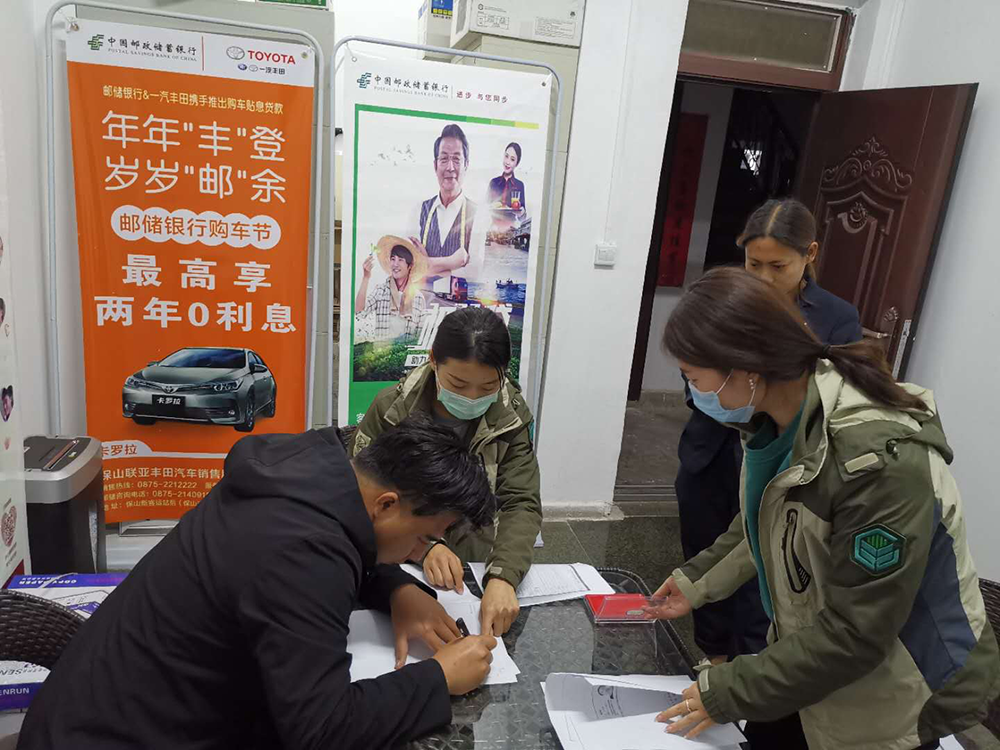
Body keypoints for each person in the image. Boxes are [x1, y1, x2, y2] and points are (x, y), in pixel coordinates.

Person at [649, 267, 1000, 750]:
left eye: (694, 378)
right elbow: (766, 521)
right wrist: (696, 582)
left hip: (892, 695)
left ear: (745, 367)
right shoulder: (778, 422)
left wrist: (730, 690)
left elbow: (858, 632)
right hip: (809, 658)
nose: (693, 395)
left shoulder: (876, 463)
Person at [19, 416, 500, 750]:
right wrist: (438, 678)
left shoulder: (305, 471)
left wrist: (397, 588)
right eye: (424, 538)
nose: (420, 553)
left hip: (92, 713)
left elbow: (351, 538)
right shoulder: (304, 550)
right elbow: (323, 730)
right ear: (388, 504)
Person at [675, 197, 862, 672]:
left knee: (774, 561)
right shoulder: (727, 300)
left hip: (788, 456)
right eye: (752, 263)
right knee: (714, 546)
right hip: (719, 445)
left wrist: (752, 685)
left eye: (776, 266)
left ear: (809, 254)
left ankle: (751, 659)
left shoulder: (836, 322)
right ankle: (716, 655)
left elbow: (861, 630)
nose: (761, 278)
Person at [351, 307, 541, 637]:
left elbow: (520, 501)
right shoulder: (392, 410)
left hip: (475, 566)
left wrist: (503, 576)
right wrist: (425, 546)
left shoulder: (510, 417)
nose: (471, 397)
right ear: (433, 361)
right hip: (401, 566)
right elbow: (360, 500)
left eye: (487, 387)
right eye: (458, 383)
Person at [410, 124, 487, 293]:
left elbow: (474, 271)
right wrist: (454, 261)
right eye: (444, 159)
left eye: (457, 159)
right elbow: (411, 266)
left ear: (466, 165)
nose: (450, 167)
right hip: (421, 302)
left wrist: (427, 265)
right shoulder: (419, 210)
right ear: (435, 165)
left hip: (459, 307)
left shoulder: (478, 214)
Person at [355, 237, 428, 343]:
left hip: (404, 351)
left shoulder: (418, 298)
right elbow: (359, 312)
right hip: (382, 351)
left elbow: (419, 334)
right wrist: (366, 277)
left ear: (410, 266)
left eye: (400, 260)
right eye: (393, 259)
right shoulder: (381, 291)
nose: (395, 264)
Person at [487, 142, 526, 211]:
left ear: (517, 163)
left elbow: (523, 213)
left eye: (512, 159)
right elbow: (485, 207)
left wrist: (521, 213)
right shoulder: (493, 182)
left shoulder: (519, 185)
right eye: (506, 156)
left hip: (512, 218)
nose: (507, 162)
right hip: (494, 218)